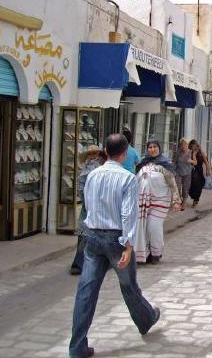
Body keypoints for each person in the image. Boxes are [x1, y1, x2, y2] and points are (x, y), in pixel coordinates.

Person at [69, 134, 160, 358]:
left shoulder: (93, 175)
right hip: (115, 239)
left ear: (105, 151)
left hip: (93, 237)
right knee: (128, 286)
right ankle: (146, 318)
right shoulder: (128, 178)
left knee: (86, 291)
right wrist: (128, 245)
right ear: (125, 152)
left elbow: (87, 205)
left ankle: (77, 346)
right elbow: (129, 213)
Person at [134, 139, 182, 264]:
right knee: (142, 228)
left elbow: (172, 184)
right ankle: (145, 254)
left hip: (160, 201)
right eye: (150, 147)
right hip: (143, 202)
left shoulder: (165, 165)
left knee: (153, 227)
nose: (152, 149)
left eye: (155, 146)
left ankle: (156, 253)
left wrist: (176, 201)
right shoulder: (142, 164)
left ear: (159, 148)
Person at [69, 146, 106, 275]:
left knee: (86, 236)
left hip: (90, 206)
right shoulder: (91, 169)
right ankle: (80, 263)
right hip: (91, 206)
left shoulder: (88, 169)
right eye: (92, 154)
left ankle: (84, 262)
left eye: (96, 153)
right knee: (87, 236)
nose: (94, 156)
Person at [188, 139, 211, 207]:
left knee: (198, 185)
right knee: (190, 186)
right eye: (192, 146)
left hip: (199, 171)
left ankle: (196, 199)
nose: (193, 147)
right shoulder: (190, 152)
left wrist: (208, 170)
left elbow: (206, 162)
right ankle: (194, 197)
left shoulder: (201, 152)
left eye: (194, 145)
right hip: (191, 170)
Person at [175, 138, 193, 209]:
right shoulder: (178, 152)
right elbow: (175, 161)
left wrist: (190, 161)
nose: (183, 146)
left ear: (187, 145)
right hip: (178, 172)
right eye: (182, 145)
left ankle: (184, 202)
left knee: (185, 188)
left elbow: (195, 162)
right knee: (177, 187)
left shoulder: (190, 152)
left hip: (187, 172)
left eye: (185, 144)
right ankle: (180, 200)